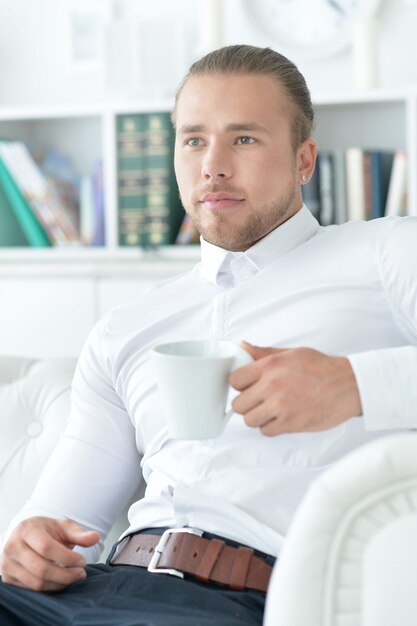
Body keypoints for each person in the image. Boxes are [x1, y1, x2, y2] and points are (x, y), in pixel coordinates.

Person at [1, 43, 417, 625]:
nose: (212, 165)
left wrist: (354, 384)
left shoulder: (383, 255)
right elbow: (62, 519)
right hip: (96, 592)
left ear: (304, 160)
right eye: (194, 139)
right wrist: (28, 545)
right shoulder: (125, 329)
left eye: (243, 138)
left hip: (255, 601)